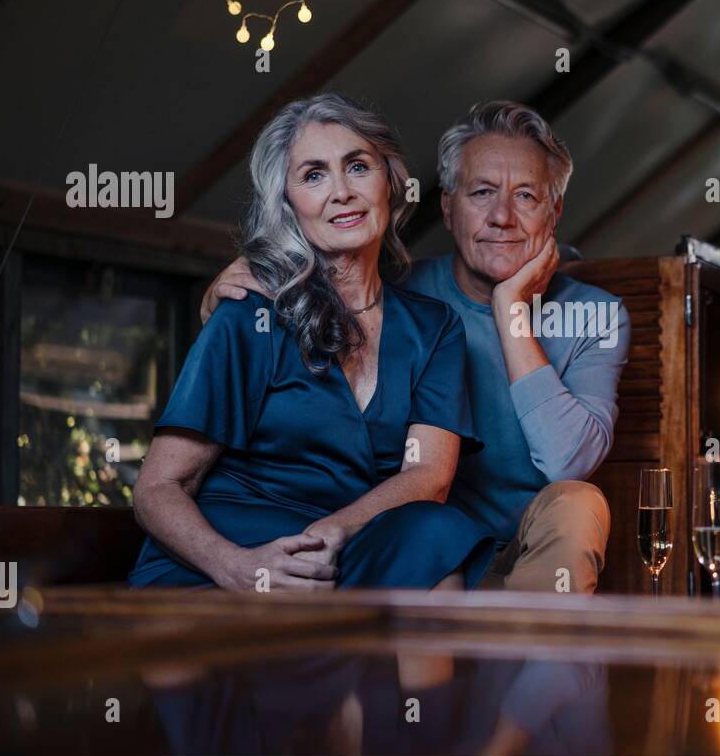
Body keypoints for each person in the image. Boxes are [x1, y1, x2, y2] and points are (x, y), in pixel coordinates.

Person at [202, 101, 630, 594]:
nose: (502, 218)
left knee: (579, 501)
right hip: (418, 548)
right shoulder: (399, 297)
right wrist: (229, 292)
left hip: (530, 563)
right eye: (482, 192)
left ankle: (522, 645)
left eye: (527, 196)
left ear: (554, 212)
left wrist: (510, 308)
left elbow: (566, 461)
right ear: (447, 207)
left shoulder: (596, 316)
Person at [130, 93, 496, 592]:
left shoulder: (435, 329)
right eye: (313, 175)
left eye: (358, 166)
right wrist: (239, 567)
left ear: (390, 181)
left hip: (340, 547)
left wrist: (332, 531)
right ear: (288, 204)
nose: (341, 192)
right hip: (229, 554)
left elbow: (427, 475)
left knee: (437, 533)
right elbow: (158, 487)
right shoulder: (248, 311)